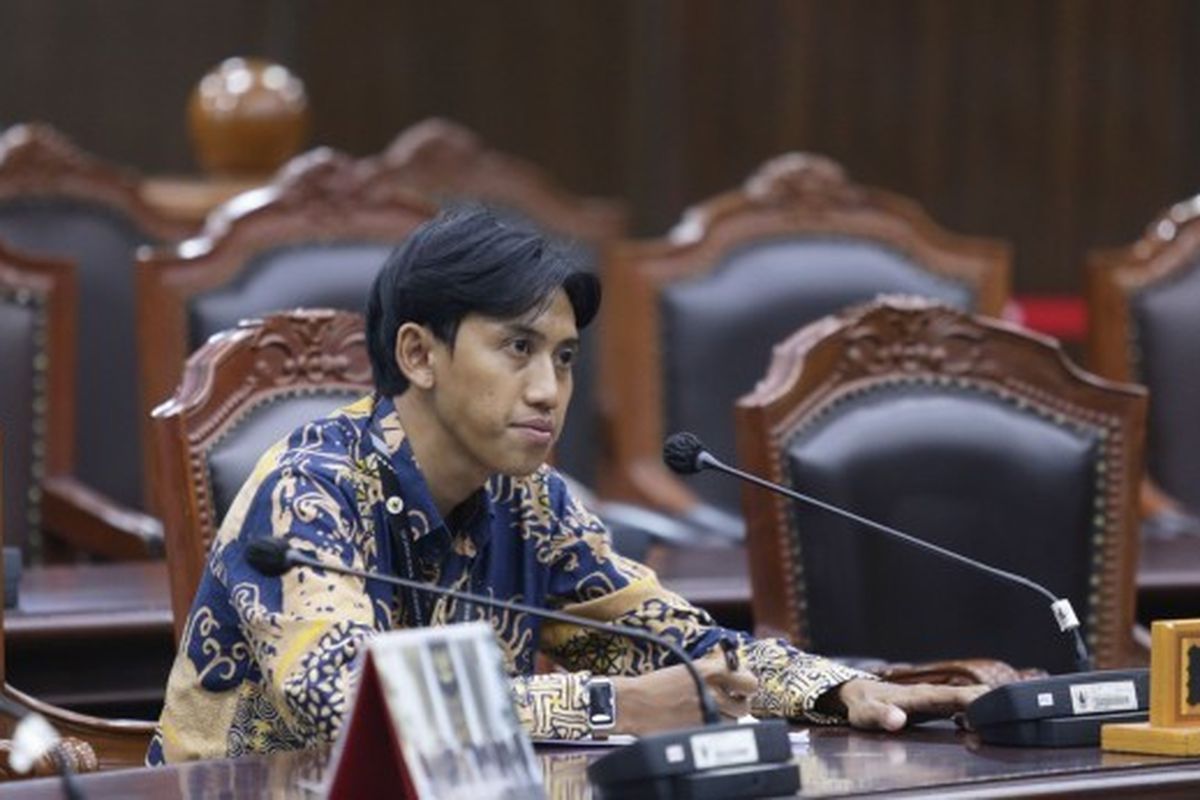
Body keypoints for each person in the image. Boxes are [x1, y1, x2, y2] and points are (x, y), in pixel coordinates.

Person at [148, 208, 982, 764]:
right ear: (419, 355)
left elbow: (682, 650)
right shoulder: (312, 488)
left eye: (565, 358)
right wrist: (619, 708)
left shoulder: (532, 501)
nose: (549, 391)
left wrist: (842, 690)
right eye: (518, 349)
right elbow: (344, 702)